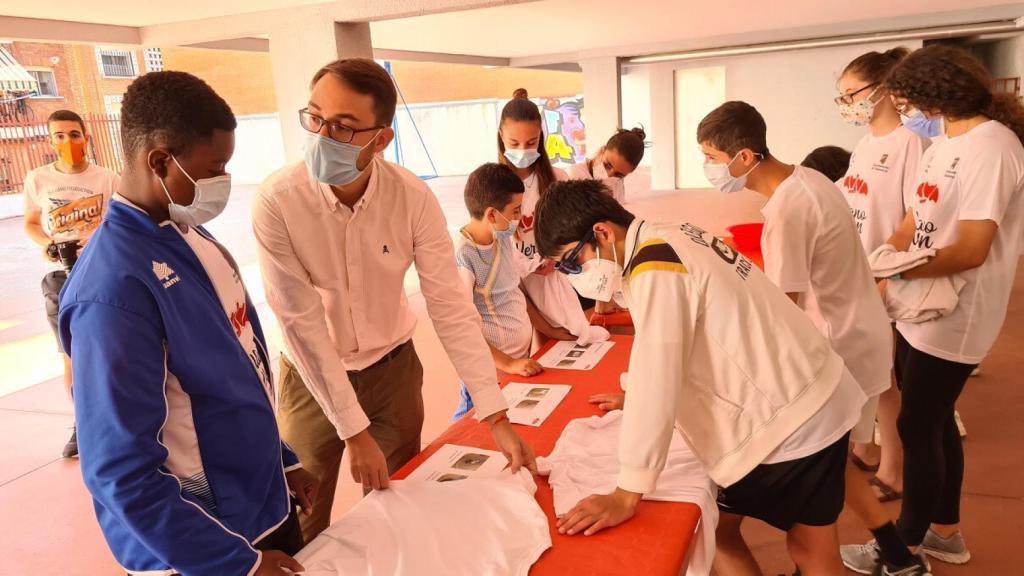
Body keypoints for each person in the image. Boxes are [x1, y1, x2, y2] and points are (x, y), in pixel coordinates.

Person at [253, 59, 536, 541]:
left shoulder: (411, 198)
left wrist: (494, 413)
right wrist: (352, 430)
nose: (322, 136)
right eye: (315, 117)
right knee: (302, 517)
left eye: (343, 126)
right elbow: (301, 323)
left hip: (394, 373)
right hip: (312, 378)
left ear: (380, 139)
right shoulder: (278, 200)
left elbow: (450, 307)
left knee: (396, 506)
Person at [535, 179, 868, 576]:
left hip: (789, 420)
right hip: (813, 390)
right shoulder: (667, 233)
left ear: (602, 232)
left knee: (724, 536)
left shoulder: (654, 266)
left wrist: (628, 491)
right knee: (810, 546)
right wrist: (634, 396)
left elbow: (657, 371)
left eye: (572, 263)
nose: (574, 276)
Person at [57, 71, 317, 576]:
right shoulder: (112, 291)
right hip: (203, 547)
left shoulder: (195, 238)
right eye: (215, 167)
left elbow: (243, 370)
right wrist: (232, 564)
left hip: (261, 510)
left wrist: (281, 461)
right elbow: (118, 473)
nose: (222, 182)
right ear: (159, 161)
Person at [697, 101, 922, 576]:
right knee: (834, 459)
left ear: (742, 157)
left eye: (712, 157)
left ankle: (836, 562)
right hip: (858, 331)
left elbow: (784, 309)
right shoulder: (810, 178)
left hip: (838, 342)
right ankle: (897, 554)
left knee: (815, 468)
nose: (710, 168)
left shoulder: (787, 209)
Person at [842, 44, 1024, 573]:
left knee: (918, 427)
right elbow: (913, 218)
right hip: (917, 304)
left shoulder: (993, 147)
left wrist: (894, 270)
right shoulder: (945, 142)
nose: (905, 111)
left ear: (932, 94)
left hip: (958, 309)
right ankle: (945, 532)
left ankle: (903, 547)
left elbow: (972, 248)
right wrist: (885, 261)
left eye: (907, 100)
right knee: (934, 422)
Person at [836, 47, 931, 508]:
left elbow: (917, 215)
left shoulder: (909, 144)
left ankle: (893, 468)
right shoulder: (866, 144)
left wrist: (887, 271)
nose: (846, 104)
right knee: (862, 369)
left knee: (885, 379)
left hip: (883, 276)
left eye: (851, 94)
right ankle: (866, 445)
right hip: (857, 271)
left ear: (882, 91)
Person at [22, 109, 120, 459]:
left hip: (102, 271)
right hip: (62, 276)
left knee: (111, 348)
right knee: (71, 353)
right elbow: (32, 222)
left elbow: (122, 221)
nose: (68, 142)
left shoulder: (108, 178)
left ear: (86, 137)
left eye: (74, 135)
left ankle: (120, 418)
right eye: (60, 136)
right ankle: (84, 425)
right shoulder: (38, 179)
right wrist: (46, 244)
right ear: (50, 141)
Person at [498, 89, 603, 339]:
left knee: (578, 337)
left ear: (541, 138)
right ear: (501, 136)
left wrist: (554, 259)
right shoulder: (493, 185)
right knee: (542, 342)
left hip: (560, 276)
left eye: (531, 142)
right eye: (514, 143)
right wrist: (527, 267)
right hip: (517, 285)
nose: (523, 150)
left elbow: (574, 230)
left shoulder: (557, 179)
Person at [452, 163, 544, 420]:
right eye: (515, 212)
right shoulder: (464, 257)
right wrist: (507, 363)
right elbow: (462, 328)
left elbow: (513, 293)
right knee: (469, 427)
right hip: (490, 370)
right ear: (492, 215)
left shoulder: (502, 238)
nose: (519, 219)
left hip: (516, 361)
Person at [565, 126, 647, 203]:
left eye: (618, 174)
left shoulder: (618, 184)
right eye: (607, 165)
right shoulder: (573, 175)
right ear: (602, 151)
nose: (609, 175)